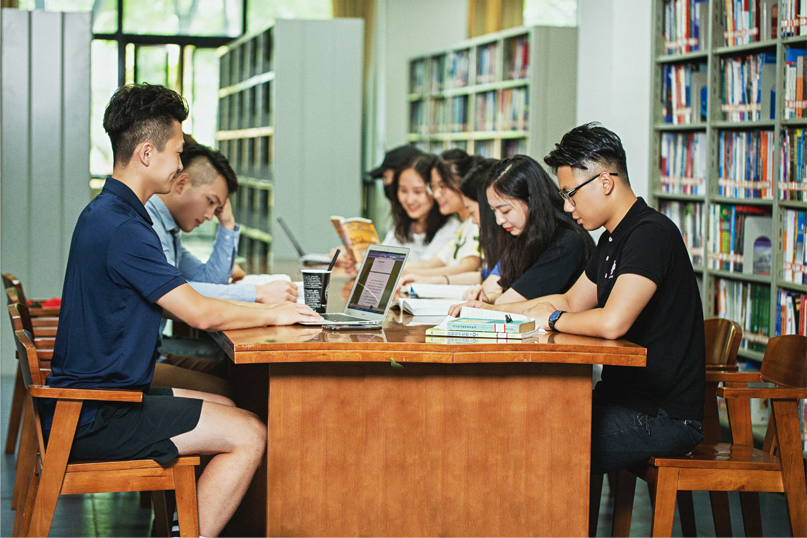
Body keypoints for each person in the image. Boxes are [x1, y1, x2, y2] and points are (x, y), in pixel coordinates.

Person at [43, 83, 322, 537]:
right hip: (95, 415)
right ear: (147, 153)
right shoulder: (125, 228)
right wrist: (274, 313)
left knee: (225, 404)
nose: (179, 165)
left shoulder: (110, 213)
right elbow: (199, 313)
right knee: (249, 432)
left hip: (95, 401)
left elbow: (189, 299)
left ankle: (182, 523)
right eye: (176, 152)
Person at [451, 123, 705, 476]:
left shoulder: (651, 235)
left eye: (571, 194)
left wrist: (551, 319)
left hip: (662, 416)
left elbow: (612, 322)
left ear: (605, 182)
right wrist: (493, 310)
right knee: (520, 419)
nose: (568, 207)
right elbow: (571, 301)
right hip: (621, 401)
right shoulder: (612, 240)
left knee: (540, 442)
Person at [146, 143, 297, 304]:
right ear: (182, 184)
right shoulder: (148, 221)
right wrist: (258, 293)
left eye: (217, 209)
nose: (210, 216)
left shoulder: (168, 230)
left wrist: (227, 224)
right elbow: (173, 292)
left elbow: (209, 280)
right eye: (211, 201)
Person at [460, 155, 594, 304]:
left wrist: (488, 302)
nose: (499, 220)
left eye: (505, 211)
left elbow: (510, 302)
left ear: (532, 200)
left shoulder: (566, 244)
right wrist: (486, 298)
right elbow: (505, 292)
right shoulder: (524, 234)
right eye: (494, 211)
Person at [399, 149, 481, 284]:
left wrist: (413, 275)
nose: (436, 194)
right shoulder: (463, 227)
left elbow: (466, 268)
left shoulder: (476, 224)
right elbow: (430, 264)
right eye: (433, 187)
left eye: (443, 186)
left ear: (464, 182)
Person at [381, 152, 460, 262]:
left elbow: (428, 266)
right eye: (403, 190)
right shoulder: (400, 229)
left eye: (418, 192)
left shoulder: (452, 229)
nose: (410, 200)